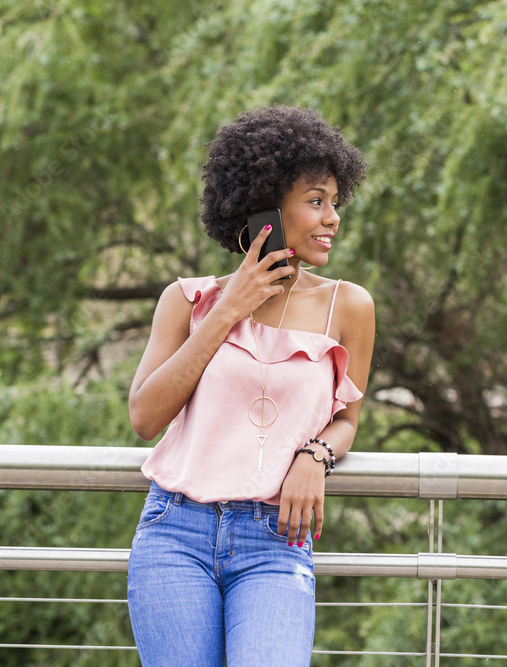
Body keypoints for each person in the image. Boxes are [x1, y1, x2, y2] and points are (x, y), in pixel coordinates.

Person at [126, 105, 374, 666]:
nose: (333, 217)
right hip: (174, 533)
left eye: (335, 201)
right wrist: (228, 310)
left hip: (275, 540)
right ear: (264, 206)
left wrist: (315, 456)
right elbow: (145, 417)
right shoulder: (186, 301)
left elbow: (347, 421)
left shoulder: (350, 306)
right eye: (316, 201)